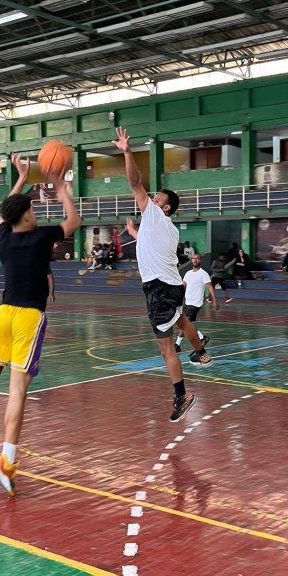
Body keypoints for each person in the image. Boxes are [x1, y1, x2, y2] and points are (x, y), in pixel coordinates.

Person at [0, 154, 80, 494]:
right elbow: (74, 220)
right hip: (28, 316)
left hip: (3, 315)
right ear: (25, 214)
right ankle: (6, 459)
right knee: (17, 390)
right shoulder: (42, 236)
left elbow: (3, 213)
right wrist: (60, 188)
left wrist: (22, 177)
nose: (35, 211)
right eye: (32, 207)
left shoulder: (4, 237)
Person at [112, 125, 210, 424]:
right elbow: (148, 243)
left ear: (164, 207)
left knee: (165, 347)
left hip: (157, 288)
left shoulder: (154, 215)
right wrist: (134, 232)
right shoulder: (170, 228)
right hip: (173, 285)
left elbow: (134, 182)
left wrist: (127, 152)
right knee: (181, 320)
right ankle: (201, 353)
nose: (150, 200)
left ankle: (182, 396)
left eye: (155, 199)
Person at [176, 254, 218, 353]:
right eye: (193, 258)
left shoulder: (203, 274)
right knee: (184, 323)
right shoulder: (188, 273)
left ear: (200, 260)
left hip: (196, 303)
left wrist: (215, 300)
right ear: (191, 260)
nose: (195, 260)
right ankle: (177, 344)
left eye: (197, 259)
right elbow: (183, 286)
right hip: (187, 302)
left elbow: (210, 287)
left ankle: (202, 337)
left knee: (186, 323)